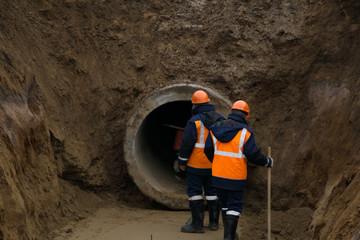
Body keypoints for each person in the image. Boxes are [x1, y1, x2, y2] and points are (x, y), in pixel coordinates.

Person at [204, 100, 273, 240]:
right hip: (235, 176)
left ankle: (228, 235)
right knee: (234, 206)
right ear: (246, 115)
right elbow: (253, 154)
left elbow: (208, 150)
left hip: (218, 175)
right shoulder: (244, 133)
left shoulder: (214, 128)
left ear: (231, 111)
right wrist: (266, 161)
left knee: (224, 204)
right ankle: (229, 237)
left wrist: (217, 162)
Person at [176, 90, 225, 233]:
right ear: (208, 102)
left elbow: (187, 143)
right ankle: (214, 224)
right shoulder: (220, 118)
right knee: (213, 193)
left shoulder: (194, 121)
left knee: (195, 193)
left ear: (195, 106)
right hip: (213, 164)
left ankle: (197, 225)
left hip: (195, 165)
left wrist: (182, 161)